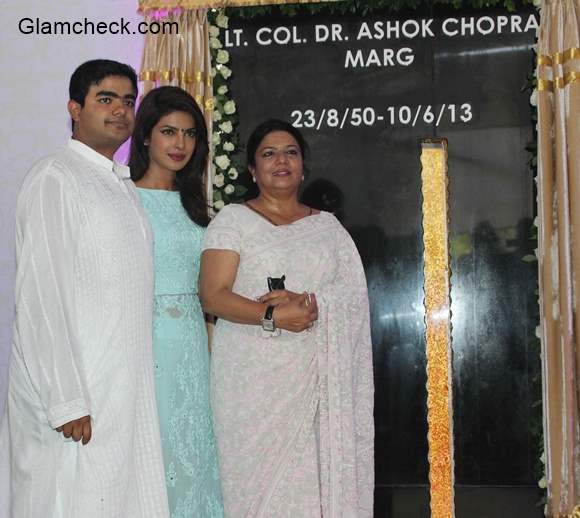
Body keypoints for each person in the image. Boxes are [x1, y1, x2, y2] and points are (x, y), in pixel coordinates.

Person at [0, 60, 169, 517]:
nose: (120, 111)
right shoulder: (55, 177)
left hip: (120, 386)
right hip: (75, 401)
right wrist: (66, 398)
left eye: (128, 101)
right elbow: (40, 295)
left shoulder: (118, 184)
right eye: (106, 99)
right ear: (74, 108)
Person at [199, 119, 375, 517]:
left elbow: (353, 297)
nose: (281, 160)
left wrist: (312, 301)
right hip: (250, 387)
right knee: (253, 492)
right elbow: (212, 294)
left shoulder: (327, 229)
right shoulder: (233, 220)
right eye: (269, 153)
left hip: (315, 384)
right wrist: (272, 315)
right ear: (252, 170)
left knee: (311, 489)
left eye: (291, 152)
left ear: (303, 166)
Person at [129, 86, 223, 517]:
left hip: (192, 346)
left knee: (197, 452)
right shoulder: (122, 200)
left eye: (189, 134)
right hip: (141, 344)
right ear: (146, 135)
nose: (180, 144)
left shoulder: (199, 208)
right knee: (152, 454)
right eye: (169, 131)